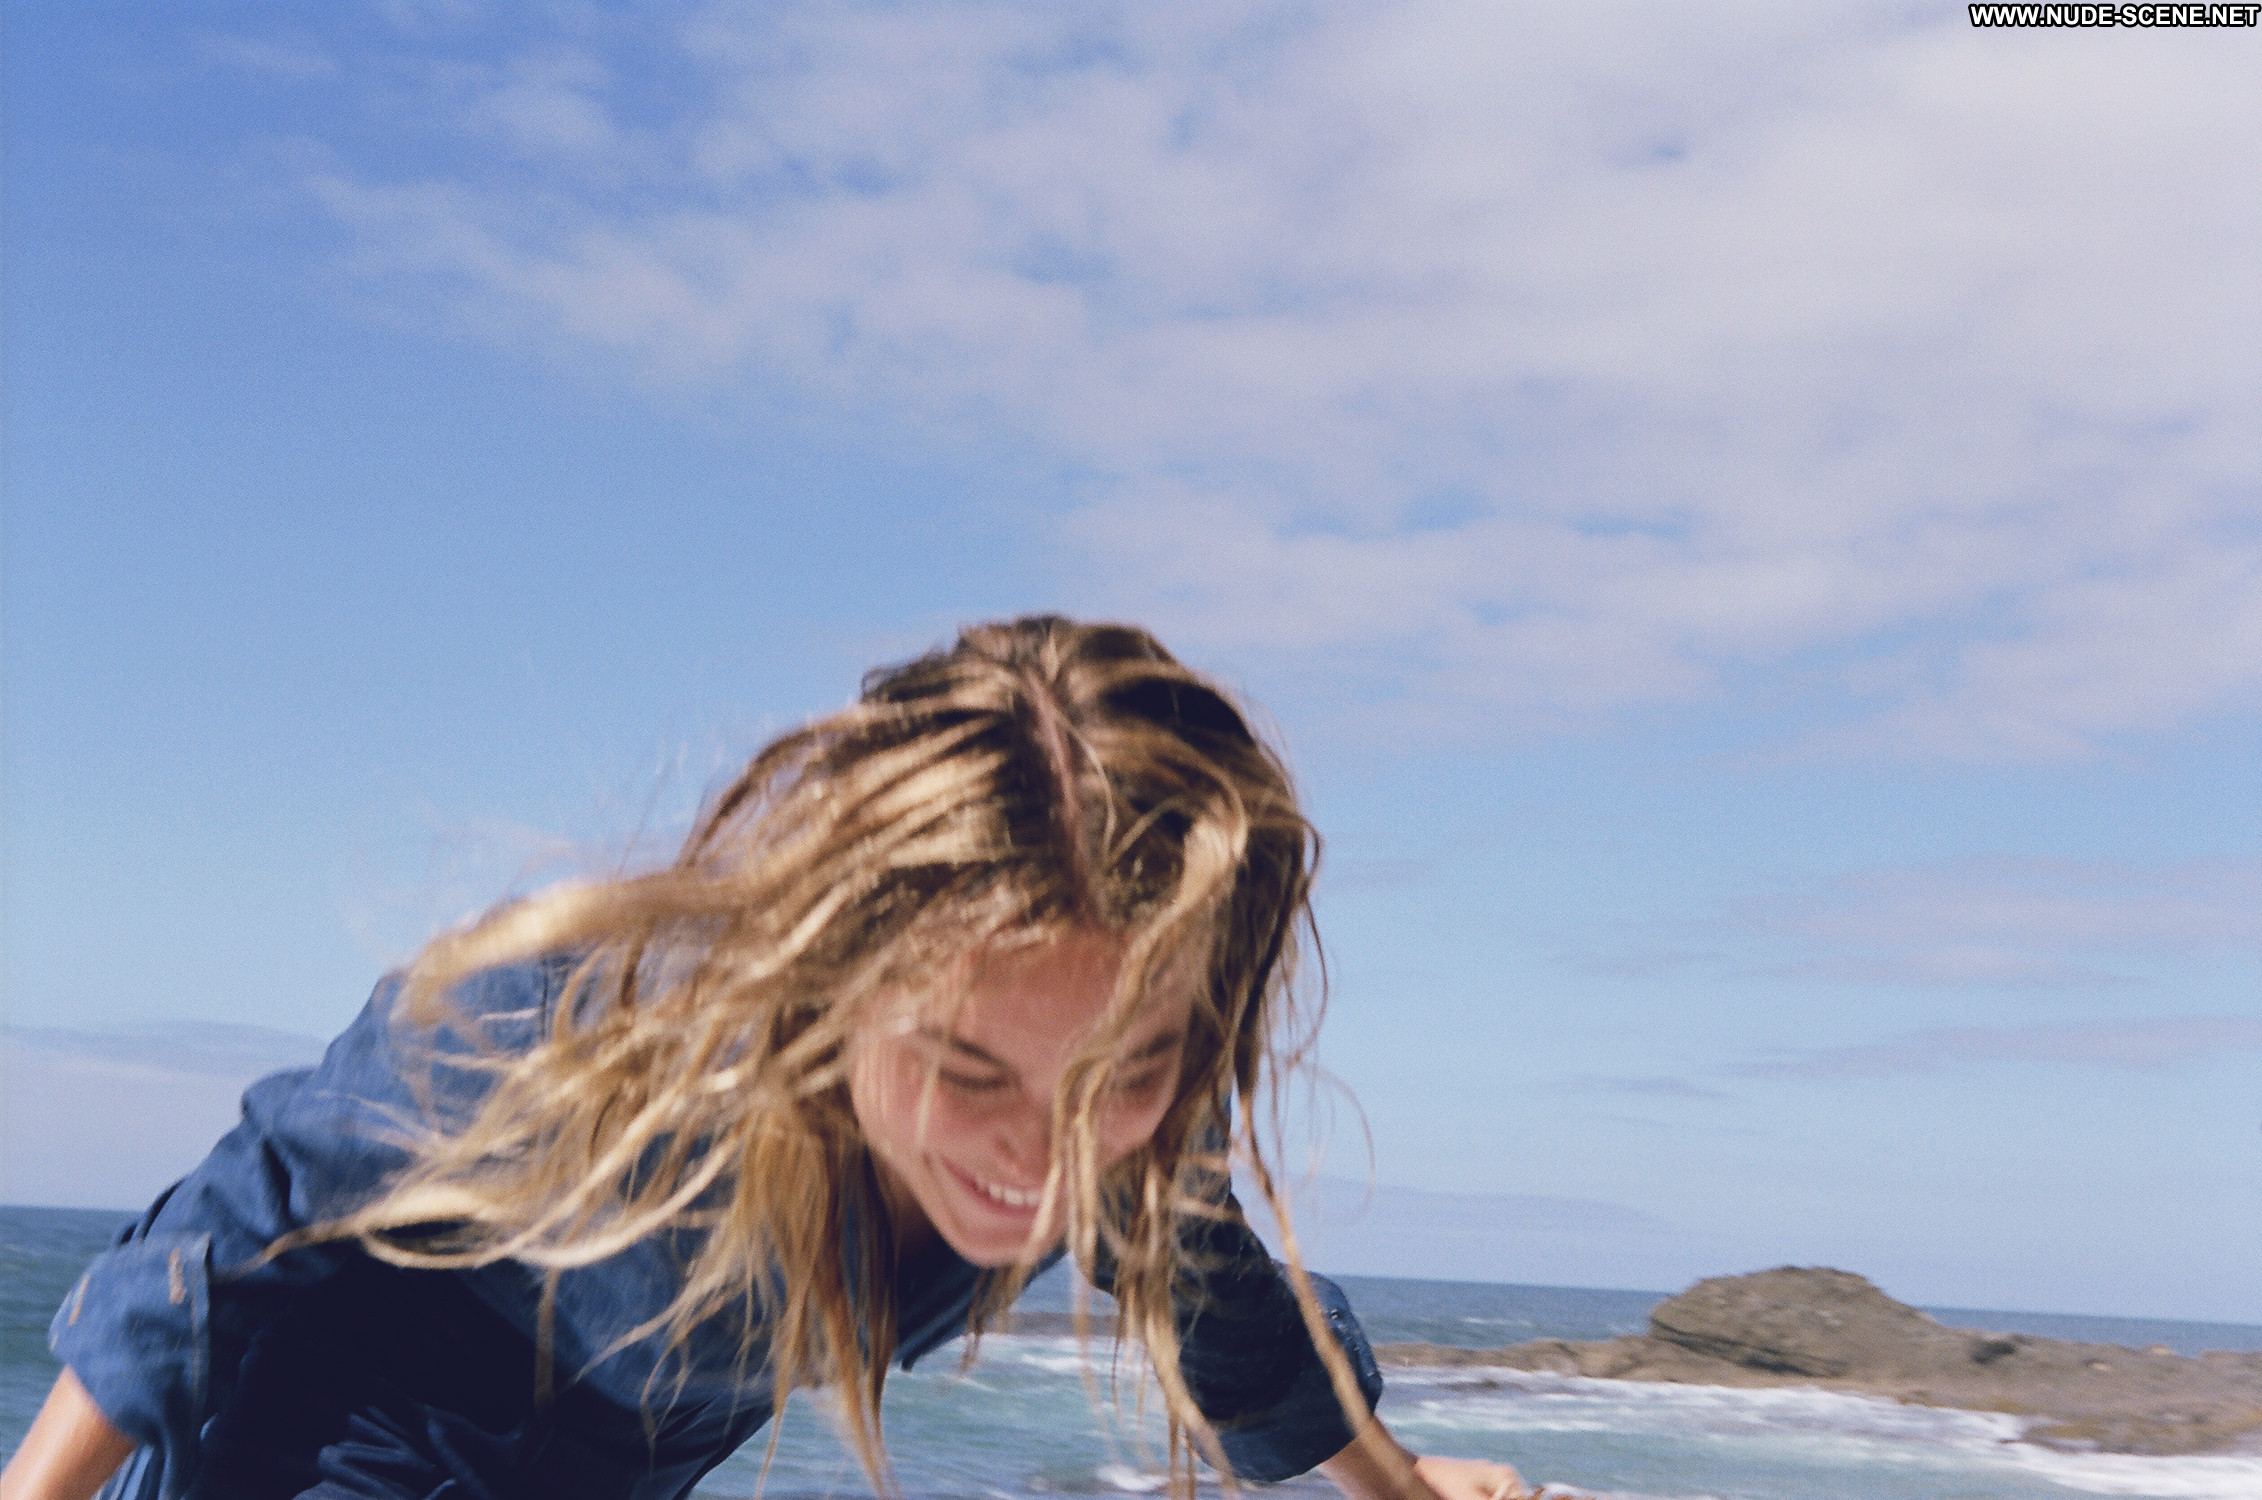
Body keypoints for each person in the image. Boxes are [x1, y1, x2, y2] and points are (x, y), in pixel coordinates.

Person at [2, 617, 1529, 1500]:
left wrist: (1395, 1490)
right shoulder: (594, 1037)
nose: (1034, 1161)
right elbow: (245, 1215)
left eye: (1114, 1081)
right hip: (335, 1441)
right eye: (965, 1071)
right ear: (841, 976)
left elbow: (1216, 1301)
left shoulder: (1115, 1095)